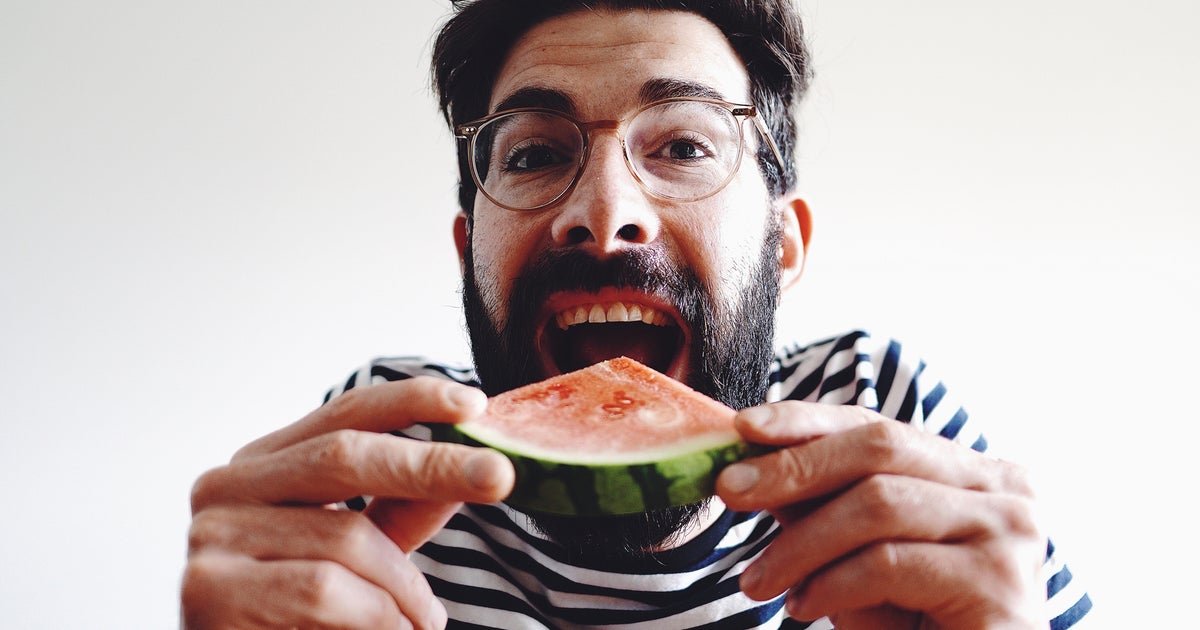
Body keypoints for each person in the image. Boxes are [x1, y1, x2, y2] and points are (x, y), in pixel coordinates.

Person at [181, 0, 1093, 628]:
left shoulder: (880, 412)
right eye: (535, 154)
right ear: (469, 248)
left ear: (784, 242)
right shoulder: (388, 465)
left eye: (686, 143)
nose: (603, 210)